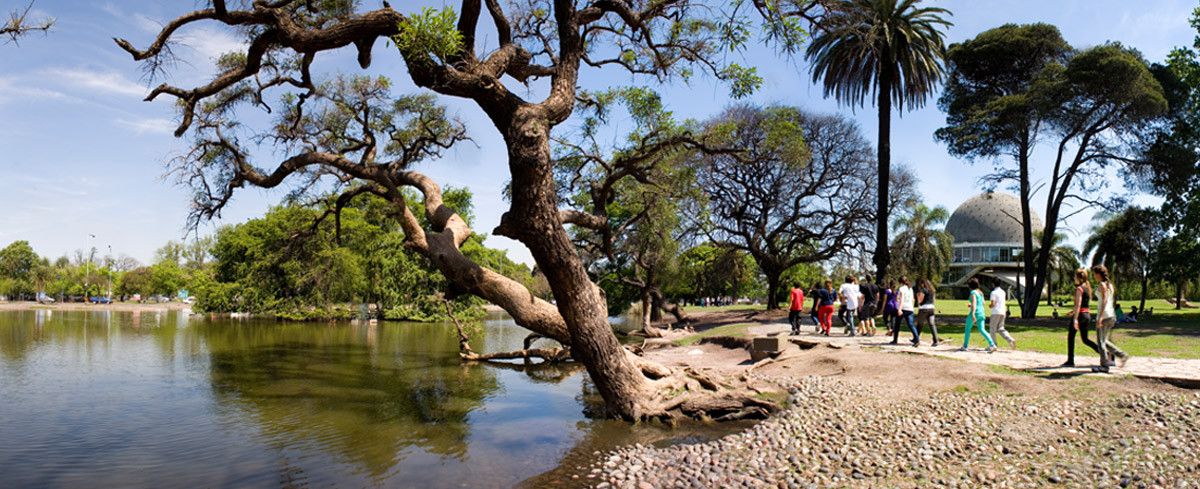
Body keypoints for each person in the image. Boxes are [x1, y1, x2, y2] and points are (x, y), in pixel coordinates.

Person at [1093, 265, 1130, 373]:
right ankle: (1122, 355)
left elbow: (1104, 301)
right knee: (1104, 341)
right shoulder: (1110, 285)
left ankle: (1104, 366)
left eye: (1095, 274)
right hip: (1111, 315)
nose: (1094, 276)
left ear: (1099, 274)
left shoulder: (1102, 285)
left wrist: (1099, 317)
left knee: (1101, 342)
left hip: (1104, 316)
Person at [1062, 268, 1100, 367]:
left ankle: (1070, 361)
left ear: (1078, 277)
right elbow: (1084, 305)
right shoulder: (1087, 288)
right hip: (1086, 315)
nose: (1074, 278)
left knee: (1071, 337)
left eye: (1075, 276)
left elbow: (1078, 305)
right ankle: (1105, 354)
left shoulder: (1079, 289)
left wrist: (1075, 319)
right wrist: (1073, 312)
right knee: (1085, 339)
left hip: (1080, 316)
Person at [959, 277, 997, 352]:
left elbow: (974, 303)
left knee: (967, 329)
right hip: (981, 313)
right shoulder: (980, 293)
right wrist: (974, 306)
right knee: (982, 330)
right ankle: (992, 344)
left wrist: (972, 313)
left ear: (970, 286)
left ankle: (965, 346)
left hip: (975, 313)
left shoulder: (973, 293)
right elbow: (983, 303)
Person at [890, 277, 919, 346]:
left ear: (900, 282)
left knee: (897, 325)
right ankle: (917, 339)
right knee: (911, 324)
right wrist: (912, 307)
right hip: (910, 308)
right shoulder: (910, 288)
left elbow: (902, 299)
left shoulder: (901, 289)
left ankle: (895, 340)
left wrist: (899, 309)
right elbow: (913, 299)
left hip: (903, 308)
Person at [988, 283, 1017, 350]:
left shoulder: (993, 292)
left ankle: (993, 345)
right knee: (1000, 328)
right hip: (1003, 312)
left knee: (992, 329)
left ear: (993, 284)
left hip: (995, 312)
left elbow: (993, 303)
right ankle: (1010, 339)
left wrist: (990, 306)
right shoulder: (1003, 292)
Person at [915, 279, 940, 347]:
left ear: (923, 284)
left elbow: (920, 301)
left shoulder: (923, 290)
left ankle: (916, 340)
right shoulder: (932, 291)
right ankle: (935, 341)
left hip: (924, 308)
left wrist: (917, 296)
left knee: (919, 325)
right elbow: (934, 300)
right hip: (931, 308)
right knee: (932, 325)